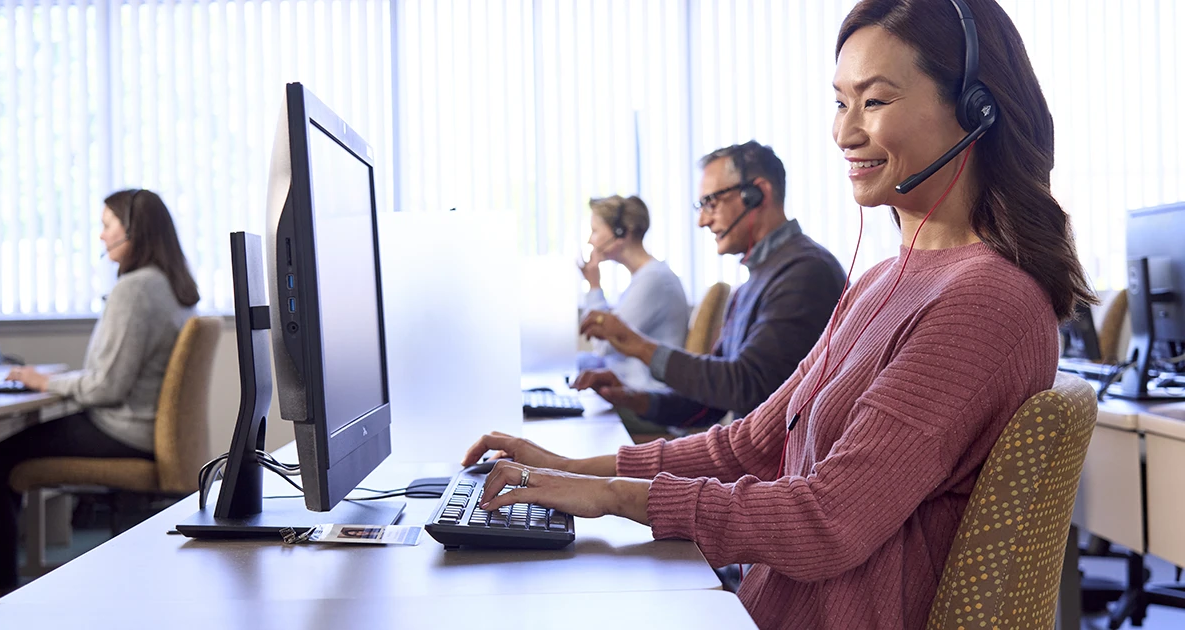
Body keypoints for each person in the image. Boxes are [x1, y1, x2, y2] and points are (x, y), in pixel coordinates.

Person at [462, 0, 1094, 627]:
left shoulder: (986, 302)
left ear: (976, 110)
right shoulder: (883, 278)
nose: (845, 132)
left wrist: (612, 498)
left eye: (874, 101)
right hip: (763, 606)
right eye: (841, 102)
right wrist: (565, 469)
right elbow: (749, 446)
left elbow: (829, 519)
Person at [0, 189, 199, 598]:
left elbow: (105, 387)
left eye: (106, 226)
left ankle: (3, 589)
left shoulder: (134, 289)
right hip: (141, 425)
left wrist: (44, 381)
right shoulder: (171, 285)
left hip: (121, 428)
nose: (100, 237)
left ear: (132, 231)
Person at [575, 141, 845, 432]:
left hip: (778, 470)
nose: (703, 220)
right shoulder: (754, 282)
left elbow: (747, 386)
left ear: (757, 195)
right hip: (747, 457)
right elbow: (708, 402)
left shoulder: (806, 272)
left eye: (711, 203)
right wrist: (633, 398)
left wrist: (638, 345)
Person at [576, 195, 690, 392]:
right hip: (634, 385)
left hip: (646, 393)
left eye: (595, 231)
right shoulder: (645, 277)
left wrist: (594, 286)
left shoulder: (654, 280)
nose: (589, 240)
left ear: (621, 233)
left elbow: (604, 346)